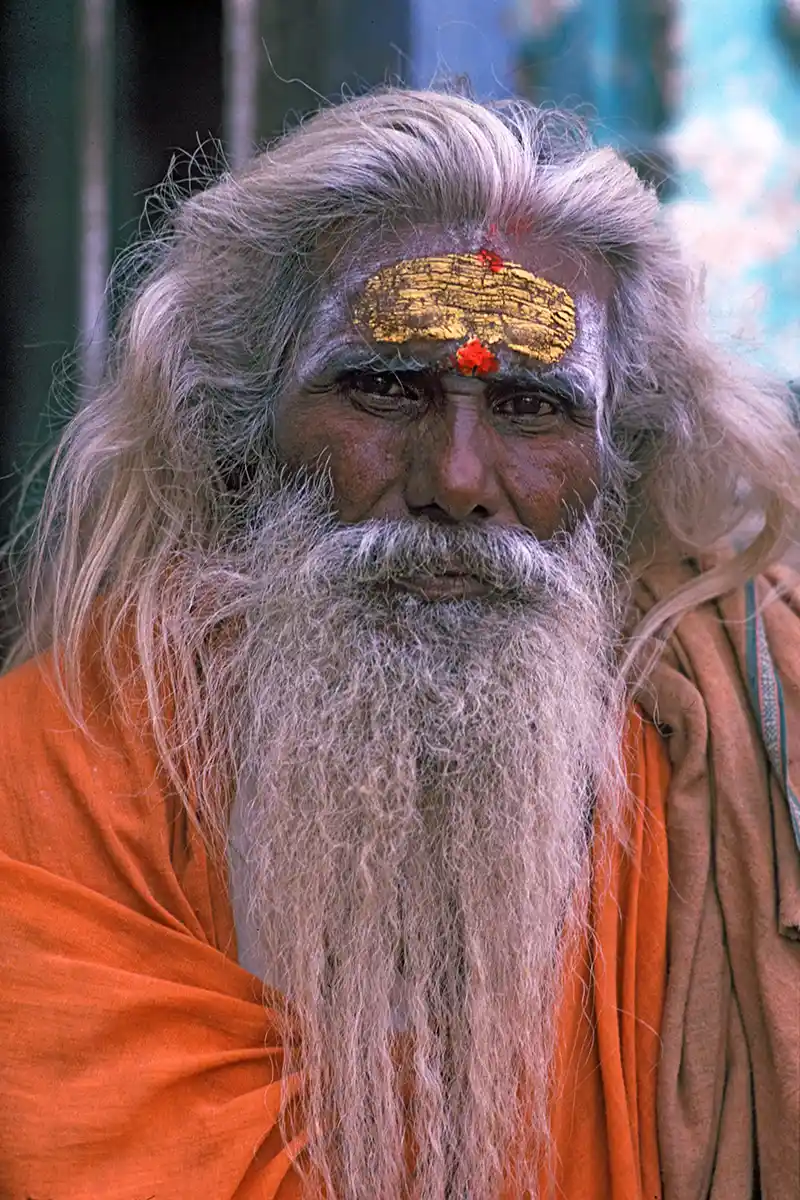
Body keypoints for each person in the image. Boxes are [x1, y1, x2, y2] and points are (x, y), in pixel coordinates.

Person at [1, 87, 799, 1200]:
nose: (456, 481)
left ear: (618, 465)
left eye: (530, 409)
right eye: (381, 389)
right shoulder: (57, 775)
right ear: (242, 422)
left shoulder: (735, 757)